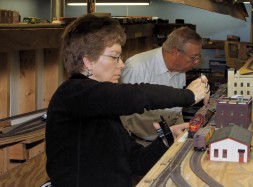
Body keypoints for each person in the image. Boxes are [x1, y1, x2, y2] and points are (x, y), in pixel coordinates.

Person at [45, 14, 209, 187]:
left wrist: (166, 138)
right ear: (88, 61)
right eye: (114, 56)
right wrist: (188, 95)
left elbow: (136, 162)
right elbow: (138, 95)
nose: (121, 64)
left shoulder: (102, 109)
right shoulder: (72, 94)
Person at [120, 26, 209, 144]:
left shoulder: (180, 69)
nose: (197, 62)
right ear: (175, 53)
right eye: (193, 58)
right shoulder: (136, 68)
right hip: (142, 144)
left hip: (171, 139)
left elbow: (176, 111)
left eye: (198, 57)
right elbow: (122, 114)